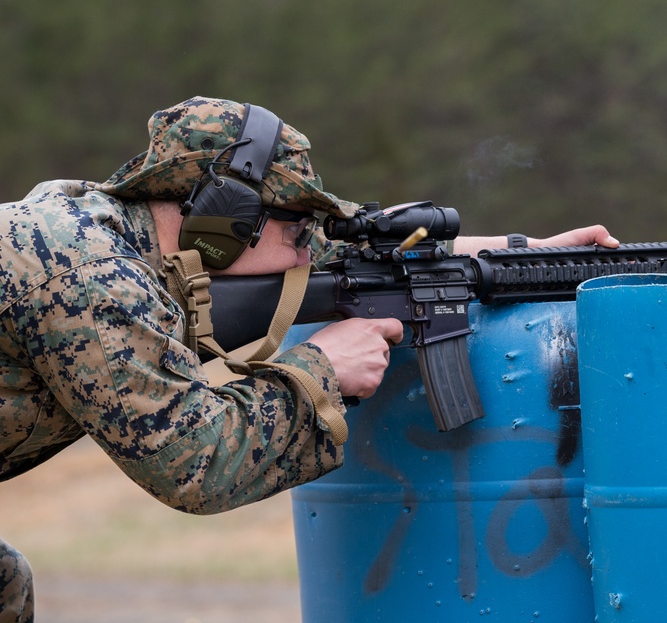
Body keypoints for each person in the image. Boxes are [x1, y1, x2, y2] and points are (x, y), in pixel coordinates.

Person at [0, 96, 618, 622]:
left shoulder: (100, 229)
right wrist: (320, 368)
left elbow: (342, 250)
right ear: (222, 222)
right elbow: (196, 461)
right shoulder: (88, 275)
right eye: (296, 232)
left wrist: (520, 255)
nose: (305, 256)